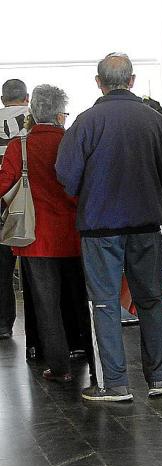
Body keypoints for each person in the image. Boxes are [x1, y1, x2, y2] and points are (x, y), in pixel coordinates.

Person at [55, 52, 162, 402]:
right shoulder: (154, 120)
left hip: (100, 228)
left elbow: (66, 174)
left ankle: (116, 384)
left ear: (99, 83)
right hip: (146, 225)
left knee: (105, 304)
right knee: (151, 300)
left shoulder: (86, 122)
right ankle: (159, 377)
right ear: (132, 80)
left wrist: (92, 191)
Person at [0, 84, 94, 383]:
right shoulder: (72, 142)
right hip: (76, 235)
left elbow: (3, 185)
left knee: (46, 305)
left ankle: (59, 367)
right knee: (83, 301)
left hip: (35, 239)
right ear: (60, 114)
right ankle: (95, 362)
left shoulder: (20, 146)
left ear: (33, 111)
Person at [0, 79, 30, 340]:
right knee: (37, 270)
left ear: (2, 99)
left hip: (1, 203)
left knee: (2, 271)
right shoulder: (36, 119)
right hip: (31, 204)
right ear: (27, 97)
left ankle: (2, 323)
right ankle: (39, 332)